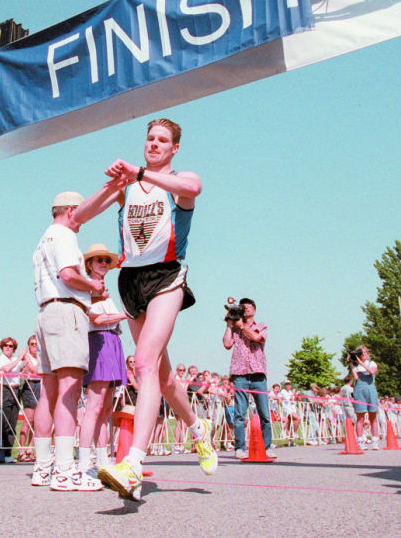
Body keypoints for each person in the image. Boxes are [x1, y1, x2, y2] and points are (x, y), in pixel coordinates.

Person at [74, 118, 217, 500]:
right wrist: (114, 183)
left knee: (143, 362)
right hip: (131, 281)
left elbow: (194, 187)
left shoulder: (178, 181)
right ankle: (197, 428)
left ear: (174, 149)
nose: (154, 144)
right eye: (150, 138)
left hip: (167, 276)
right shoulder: (130, 186)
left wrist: (141, 172)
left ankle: (133, 462)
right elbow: (78, 217)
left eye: (163, 140)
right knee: (164, 376)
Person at [30, 191, 105, 491]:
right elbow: (68, 274)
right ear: (72, 209)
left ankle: (42, 466)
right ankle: (64, 469)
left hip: (46, 311)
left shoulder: (44, 238)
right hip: (66, 309)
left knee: (48, 394)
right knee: (69, 390)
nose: (82, 222)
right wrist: (93, 285)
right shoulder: (63, 234)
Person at [78, 244, 128, 474]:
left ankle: (101, 456)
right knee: (94, 406)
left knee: (106, 408)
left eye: (106, 261)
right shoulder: (86, 288)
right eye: (99, 260)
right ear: (89, 264)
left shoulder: (105, 290)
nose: (104, 264)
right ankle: (84, 458)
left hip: (113, 341)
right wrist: (125, 314)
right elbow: (96, 319)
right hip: (98, 341)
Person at [222, 297, 276, 459]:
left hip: (258, 373)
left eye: (248, 306)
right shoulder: (235, 327)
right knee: (239, 414)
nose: (245, 308)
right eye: (242, 307)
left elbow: (256, 338)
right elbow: (226, 344)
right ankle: (239, 448)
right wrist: (229, 324)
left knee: (264, 413)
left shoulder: (261, 326)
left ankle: (267, 447)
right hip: (240, 374)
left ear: (254, 309)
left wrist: (242, 326)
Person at [0, 337, 27, 463]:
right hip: (4, 389)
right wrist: (19, 358)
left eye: (10, 346)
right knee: (2, 422)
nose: (8, 348)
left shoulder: (16, 360)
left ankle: (8, 453)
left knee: (12, 423)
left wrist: (25, 359)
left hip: (16, 390)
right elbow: (5, 369)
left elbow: (24, 369)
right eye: (5, 345)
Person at [351, 345, 380, 450]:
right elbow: (355, 377)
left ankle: (375, 441)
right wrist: (352, 363)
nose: (364, 354)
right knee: (360, 417)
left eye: (365, 352)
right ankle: (360, 441)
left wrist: (361, 363)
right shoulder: (356, 366)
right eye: (361, 353)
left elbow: (372, 372)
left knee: (373, 416)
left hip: (370, 389)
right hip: (359, 389)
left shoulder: (371, 363)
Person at [17, 335, 40, 462]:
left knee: (37, 421)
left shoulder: (41, 357)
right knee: (28, 420)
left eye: (36, 344)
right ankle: (21, 450)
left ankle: (30, 449)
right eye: (32, 344)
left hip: (39, 386)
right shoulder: (27, 357)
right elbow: (34, 369)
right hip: (29, 386)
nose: (34, 346)